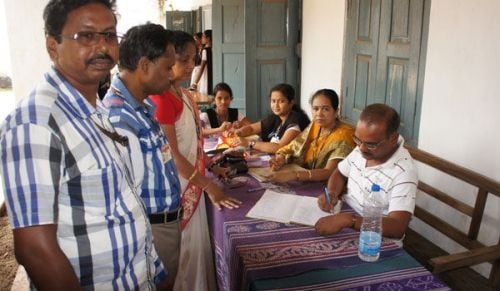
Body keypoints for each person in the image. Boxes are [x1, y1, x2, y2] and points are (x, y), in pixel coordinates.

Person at [0, 0, 166, 289]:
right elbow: (35, 250)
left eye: (110, 35)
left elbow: (121, 207)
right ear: (53, 46)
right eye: (86, 36)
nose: (102, 46)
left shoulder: (96, 111)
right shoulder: (36, 123)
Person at [150, 30, 241, 291]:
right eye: (185, 59)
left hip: (195, 180)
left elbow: (196, 144)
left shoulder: (185, 95)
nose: (192, 65)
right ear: (167, 59)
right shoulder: (162, 100)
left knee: (197, 252)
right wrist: (209, 185)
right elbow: (173, 154)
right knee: (185, 253)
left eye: (195, 58)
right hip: (179, 187)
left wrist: (213, 166)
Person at [102, 24, 181, 290]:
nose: (172, 75)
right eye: (168, 67)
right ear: (145, 65)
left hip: (162, 226)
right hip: (150, 232)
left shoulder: (140, 108)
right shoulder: (121, 119)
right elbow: (124, 198)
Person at [315, 103, 418, 244]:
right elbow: (339, 173)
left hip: (375, 241)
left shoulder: (403, 172)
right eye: (357, 140)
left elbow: (397, 226)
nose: (362, 148)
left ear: (393, 139)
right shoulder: (363, 148)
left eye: (371, 144)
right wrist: (332, 193)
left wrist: (350, 220)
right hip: (347, 218)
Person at [268, 89, 355, 182]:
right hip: (307, 177)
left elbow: (329, 172)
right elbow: (294, 145)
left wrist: (295, 175)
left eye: (325, 109)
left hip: (328, 186)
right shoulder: (316, 125)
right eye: (316, 109)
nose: (319, 114)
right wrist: (281, 158)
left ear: (336, 111)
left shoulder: (344, 135)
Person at [235, 83, 310, 153]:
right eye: (273, 101)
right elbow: (252, 128)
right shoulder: (276, 117)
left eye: (281, 101)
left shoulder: (295, 122)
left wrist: (249, 143)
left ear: (291, 103)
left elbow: (279, 148)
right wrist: (238, 132)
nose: (276, 105)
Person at [190, 29, 212, 95]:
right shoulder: (213, 48)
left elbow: (202, 67)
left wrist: (195, 82)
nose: (202, 39)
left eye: (203, 37)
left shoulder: (205, 50)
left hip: (205, 74)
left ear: (208, 38)